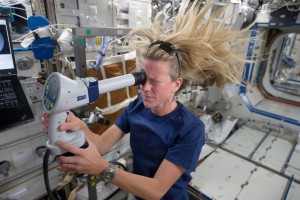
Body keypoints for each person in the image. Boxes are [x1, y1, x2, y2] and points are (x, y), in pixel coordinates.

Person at [42, 0, 251, 199]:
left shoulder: (190, 129)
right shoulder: (137, 107)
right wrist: (80, 128)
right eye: (142, 78)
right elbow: (101, 144)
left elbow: (157, 190)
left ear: (176, 84)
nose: (145, 88)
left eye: (155, 81)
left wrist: (102, 168)